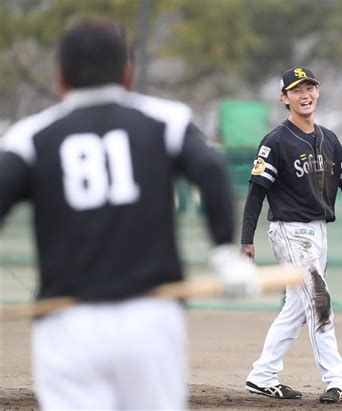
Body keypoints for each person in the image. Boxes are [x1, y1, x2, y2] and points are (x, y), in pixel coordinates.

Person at [0, 18, 259, 410]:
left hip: (67, 322)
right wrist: (225, 252)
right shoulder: (165, 119)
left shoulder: (29, 136)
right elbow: (211, 169)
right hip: (150, 317)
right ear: (128, 75)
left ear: (59, 79)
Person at [241, 66, 342, 404]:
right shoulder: (276, 141)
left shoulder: (329, 139)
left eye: (309, 87)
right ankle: (337, 381)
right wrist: (246, 240)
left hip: (318, 233)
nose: (304, 94)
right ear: (284, 98)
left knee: (297, 306)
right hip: (290, 232)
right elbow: (255, 192)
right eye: (296, 90)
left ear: (317, 93)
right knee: (319, 300)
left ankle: (262, 375)